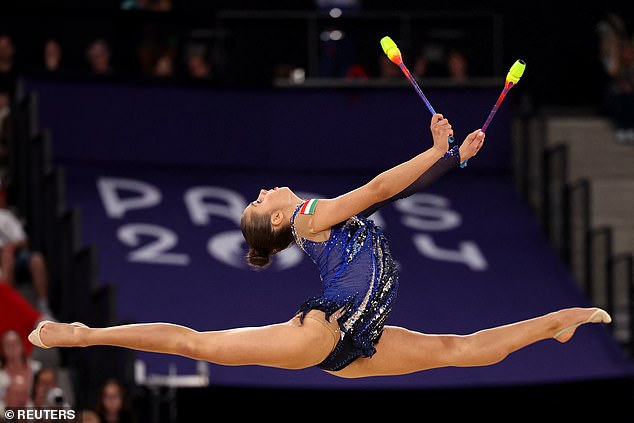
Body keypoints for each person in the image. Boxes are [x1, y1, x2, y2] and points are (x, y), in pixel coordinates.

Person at [27, 114, 610, 379]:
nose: (262, 192)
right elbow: (381, 186)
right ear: (277, 220)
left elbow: (387, 198)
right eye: (258, 203)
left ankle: (557, 321)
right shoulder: (312, 218)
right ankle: (84, 334)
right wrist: (436, 152)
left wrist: (454, 158)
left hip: (355, 344)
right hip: (325, 333)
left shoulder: (320, 220)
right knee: (195, 343)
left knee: (458, 349)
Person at [0, 203, 52, 316]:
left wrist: (10, 247)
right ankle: (6, 308)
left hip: (14, 255)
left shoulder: (5, 216)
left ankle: (43, 306)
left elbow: (23, 240)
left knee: (37, 259)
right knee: (6, 256)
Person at [0, 330, 41, 403]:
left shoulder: (36, 369)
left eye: (15, 343)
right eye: (8, 345)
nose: (12, 348)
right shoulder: (1, 375)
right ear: (3, 350)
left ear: (22, 345)